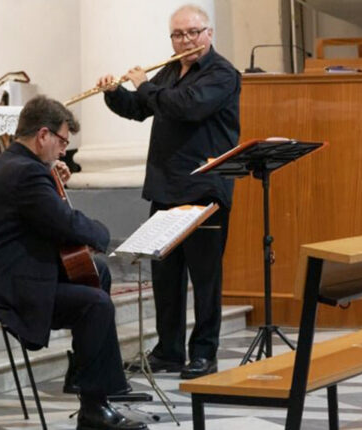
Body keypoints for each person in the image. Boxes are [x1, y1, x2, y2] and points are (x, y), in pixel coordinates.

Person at [0, 95, 146, 430]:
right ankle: (94, 407)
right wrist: (104, 234)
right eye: (62, 142)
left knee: (96, 272)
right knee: (97, 305)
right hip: (10, 286)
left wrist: (50, 175)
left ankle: (90, 380)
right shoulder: (26, 174)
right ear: (42, 135)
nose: (63, 151)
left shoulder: (14, 164)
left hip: (9, 273)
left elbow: (43, 219)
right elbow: (66, 223)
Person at [97, 4, 240, 380]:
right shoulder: (171, 70)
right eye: (178, 34)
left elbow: (187, 108)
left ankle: (204, 353)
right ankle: (169, 351)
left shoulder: (223, 74)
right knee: (166, 275)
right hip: (167, 187)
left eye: (193, 32)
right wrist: (115, 93)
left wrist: (144, 85)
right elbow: (140, 109)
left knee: (205, 277)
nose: (185, 40)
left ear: (209, 33)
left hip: (205, 190)